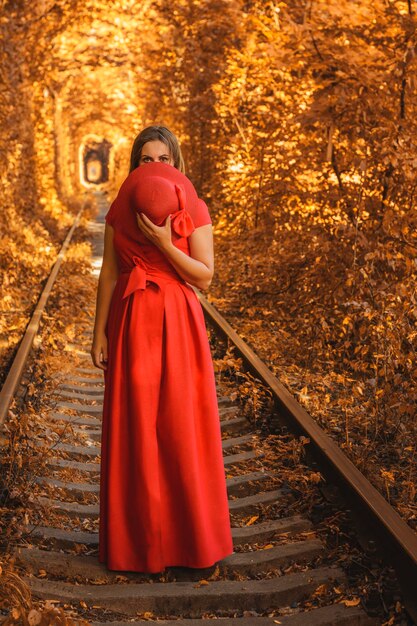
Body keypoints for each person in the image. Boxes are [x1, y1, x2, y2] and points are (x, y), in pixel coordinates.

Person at [90, 125, 234, 573]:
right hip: (133, 319)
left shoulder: (194, 205)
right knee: (137, 427)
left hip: (178, 321)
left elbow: (204, 276)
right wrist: (99, 333)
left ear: (177, 164)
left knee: (180, 427)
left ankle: (190, 542)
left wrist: (164, 244)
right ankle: (138, 546)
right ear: (136, 167)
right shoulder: (122, 209)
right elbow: (109, 273)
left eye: (163, 160)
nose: (155, 168)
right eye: (146, 160)